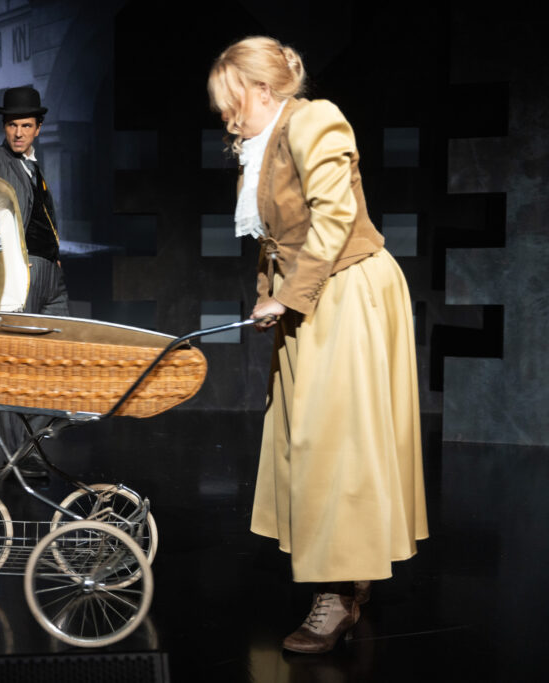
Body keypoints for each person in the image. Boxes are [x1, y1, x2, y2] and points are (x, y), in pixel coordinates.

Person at [207, 37, 428, 653]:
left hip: (347, 290)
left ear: (262, 90)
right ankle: (349, 572)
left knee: (335, 443)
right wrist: (267, 293)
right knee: (312, 439)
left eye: (231, 99)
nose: (225, 114)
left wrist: (289, 296)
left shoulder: (314, 121)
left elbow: (333, 219)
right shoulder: (265, 142)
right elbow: (276, 237)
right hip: (311, 297)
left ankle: (337, 594)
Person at [0, 86, 69, 478]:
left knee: (54, 360)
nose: (18, 132)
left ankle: (32, 445)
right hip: (19, 275)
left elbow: (39, 216)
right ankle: (22, 455)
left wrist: (55, 257)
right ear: (4, 127)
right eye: (12, 125)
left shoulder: (33, 166)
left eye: (25, 125)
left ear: (38, 127)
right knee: (15, 364)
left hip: (49, 276)